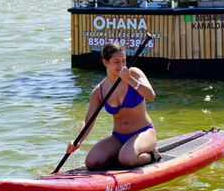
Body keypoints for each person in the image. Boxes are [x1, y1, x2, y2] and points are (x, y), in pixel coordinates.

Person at [67, 42, 160, 170]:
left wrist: (130, 81)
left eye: (124, 61)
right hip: (118, 137)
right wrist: (77, 141)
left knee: (126, 158)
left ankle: (152, 154)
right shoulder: (99, 91)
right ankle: (122, 153)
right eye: (116, 62)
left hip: (144, 132)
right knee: (92, 162)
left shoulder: (133, 74)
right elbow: (88, 120)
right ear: (105, 63)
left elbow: (151, 95)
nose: (122, 65)